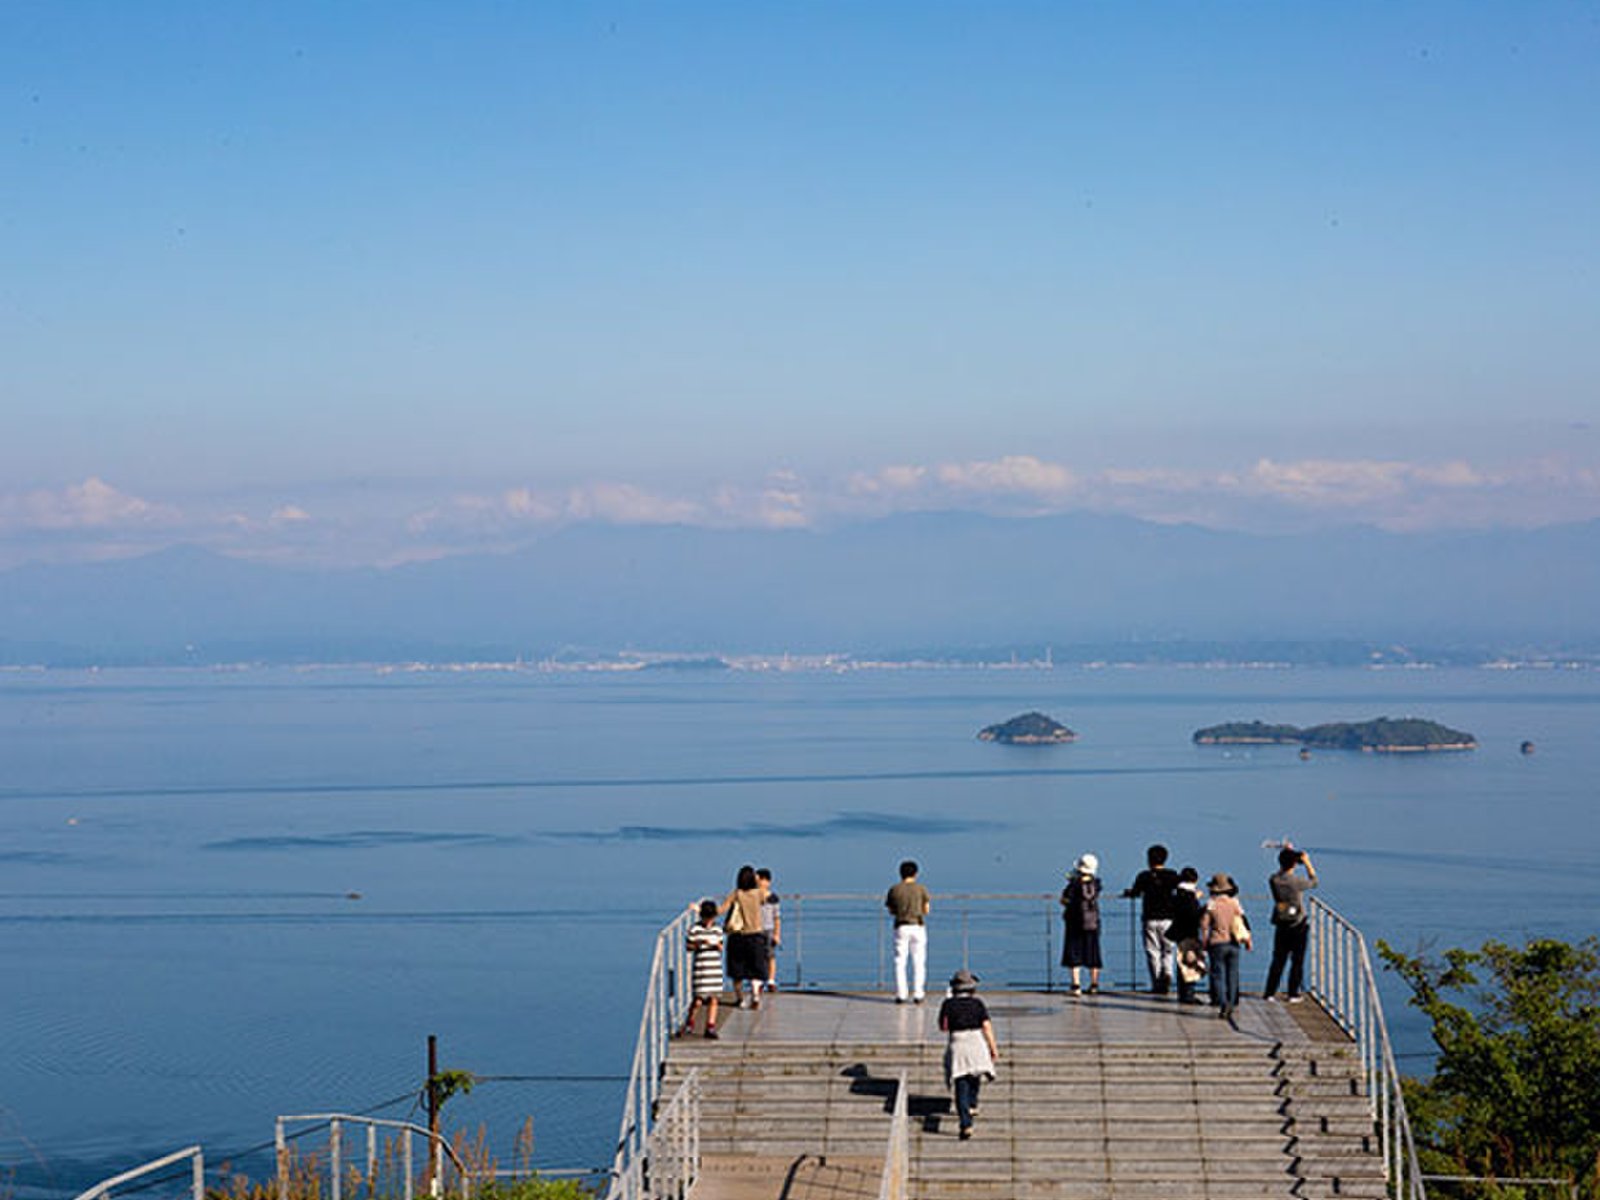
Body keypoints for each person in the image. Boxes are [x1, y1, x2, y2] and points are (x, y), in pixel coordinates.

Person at [939, 969, 998, 1141]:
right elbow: (986, 1026)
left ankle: (966, 1123)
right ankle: (973, 1104)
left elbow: (943, 1027)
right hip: (976, 1042)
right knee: (975, 1075)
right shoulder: (978, 1004)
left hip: (958, 1043)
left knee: (961, 1083)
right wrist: (993, 1048)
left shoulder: (948, 1004)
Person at [1263, 843, 1318, 1003]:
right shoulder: (1296, 882)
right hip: (1298, 924)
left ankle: (1270, 992)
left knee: (1278, 959)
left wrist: (1287, 854)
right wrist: (1307, 862)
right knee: (1297, 961)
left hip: (1281, 922)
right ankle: (1293, 993)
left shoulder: (1274, 880)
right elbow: (1314, 881)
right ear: (1294, 864)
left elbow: (1280, 871)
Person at [1121, 843, 1180, 994]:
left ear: (1149, 859)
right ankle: (1167, 974)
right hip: (1168, 918)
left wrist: (1128, 893)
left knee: (1152, 951)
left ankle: (1157, 982)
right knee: (1168, 950)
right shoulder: (1172, 875)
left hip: (1150, 918)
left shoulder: (1144, 876)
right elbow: (1180, 889)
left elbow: (1135, 892)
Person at [1199, 872, 1251, 1020]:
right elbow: (1240, 922)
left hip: (1217, 942)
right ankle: (1232, 1001)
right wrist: (1247, 939)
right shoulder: (1235, 903)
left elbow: (1204, 926)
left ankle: (1223, 1003)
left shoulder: (1211, 904)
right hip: (1234, 942)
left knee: (1217, 975)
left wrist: (1204, 942)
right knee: (1233, 974)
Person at [718, 865, 769, 1009]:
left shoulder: (736, 894)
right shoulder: (759, 893)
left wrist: (699, 909)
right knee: (756, 969)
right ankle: (756, 996)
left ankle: (740, 999)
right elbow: (769, 897)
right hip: (756, 936)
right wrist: (759, 882)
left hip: (737, 936)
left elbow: (722, 910)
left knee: (737, 970)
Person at [885, 860, 931, 1004]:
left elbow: (891, 910)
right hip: (917, 925)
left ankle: (901, 994)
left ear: (900, 873)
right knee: (919, 961)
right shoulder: (921, 889)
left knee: (900, 961)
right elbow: (926, 909)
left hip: (901, 926)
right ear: (915, 873)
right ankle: (918, 994)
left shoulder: (894, 889)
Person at [1060, 853, 1103, 995]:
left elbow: (1064, 900)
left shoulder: (1074, 885)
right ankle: (1094, 984)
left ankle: (1076, 985)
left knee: (1074, 952)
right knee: (1093, 952)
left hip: (1075, 922)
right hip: (1093, 921)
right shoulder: (1096, 884)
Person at [682, 899, 725, 1039]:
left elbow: (721, 946)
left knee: (714, 998)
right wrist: (699, 943)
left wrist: (717, 946)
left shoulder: (718, 930)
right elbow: (688, 946)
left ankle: (710, 1026)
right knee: (698, 999)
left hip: (715, 969)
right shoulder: (695, 929)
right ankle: (690, 1021)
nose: (708, 921)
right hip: (701, 969)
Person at [1165, 866, 1208, 1006]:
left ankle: (1183, 993)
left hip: (1178, 932)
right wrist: (1203, 907)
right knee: (1190, 962)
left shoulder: (1176, 894)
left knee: (1182, 962)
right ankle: (1188, 994)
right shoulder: (1189, 896)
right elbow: (1193, 915)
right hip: (1189, 932)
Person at [757, 867, 782, 991]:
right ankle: (760, 981)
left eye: (761, 880)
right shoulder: (753, 896)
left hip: (769, 929)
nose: (759, 883)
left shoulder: (773, 898)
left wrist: (777, 934)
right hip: (756, 929)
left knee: (770, 956)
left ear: (768, 881)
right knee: (758, 957)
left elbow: (777, 917)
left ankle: (771, 981)